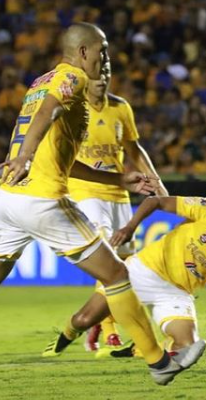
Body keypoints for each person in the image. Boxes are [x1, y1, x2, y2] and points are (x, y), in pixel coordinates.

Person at [0, 22, 200, 386]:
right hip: (40, 199)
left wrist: (120, 179)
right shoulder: (72, 78)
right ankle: (158, 362)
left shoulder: (38, 81)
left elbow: (62, 156)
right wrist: (25, 157)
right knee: (118, 275)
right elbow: (46, 113)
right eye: (102, 50)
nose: (105, 58)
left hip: (8, 197)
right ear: (82, 52)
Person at [43, 180, 206, 358]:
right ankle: (63, 340)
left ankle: (145, 350)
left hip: (176, 292)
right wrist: (130, 227)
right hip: (143, 270)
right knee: (84, 319)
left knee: (189, 347)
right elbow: (155, 200)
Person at [42, 61, 169, 359]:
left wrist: (156, 181)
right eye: (97, 78)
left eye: (107, 76)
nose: (102, 82)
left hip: (119, 194)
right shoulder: (73, 109)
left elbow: (134, 150)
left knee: (126, 264)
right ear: (86, 81)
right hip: (86, 193)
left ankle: (91, 326)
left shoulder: (121, 108)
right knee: (109, 259)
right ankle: (111, 332)